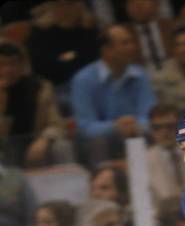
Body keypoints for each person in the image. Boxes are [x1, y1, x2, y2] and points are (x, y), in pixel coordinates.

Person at [71, 24, 156, 169]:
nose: (132, 47)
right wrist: (115, 127)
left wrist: (136, 126)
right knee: (97, 142)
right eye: (125, 43)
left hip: (136, 133)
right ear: (107, 50)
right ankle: (104, 182)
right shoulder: (83, 80)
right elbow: (85, 126)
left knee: (158, 132)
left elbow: (150, 114)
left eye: (131, 42)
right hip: (104, 139)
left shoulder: (140, 75)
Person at [0, 40, 72, 168]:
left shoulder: (40, 88)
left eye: (13, 63)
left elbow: (57, 124)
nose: (8, 70)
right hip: (4, 151)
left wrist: (44, 139)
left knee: (61, 146)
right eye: (2, 64)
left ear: (22, 65)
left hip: (34, 149)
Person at [27, 0, 99, 115]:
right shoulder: (39, 34)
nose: (66, 10)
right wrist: (74, 57)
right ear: (51, 7)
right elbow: (41, 67)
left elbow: (94, 61)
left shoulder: (90, 31)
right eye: (60, 5)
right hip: (57, 87)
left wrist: (63, 59)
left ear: (80, 6)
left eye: (70, 4)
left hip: (90, 84)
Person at [146, 104, 185, 226]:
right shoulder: (142, 161)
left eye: (170, 127)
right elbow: (146, 207)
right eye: (157, 128)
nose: (164, 132)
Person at [123, 0, 174, 74]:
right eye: (131, 1)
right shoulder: (124, 35)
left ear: (157, 4)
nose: (138, 3)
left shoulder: (172, 27)